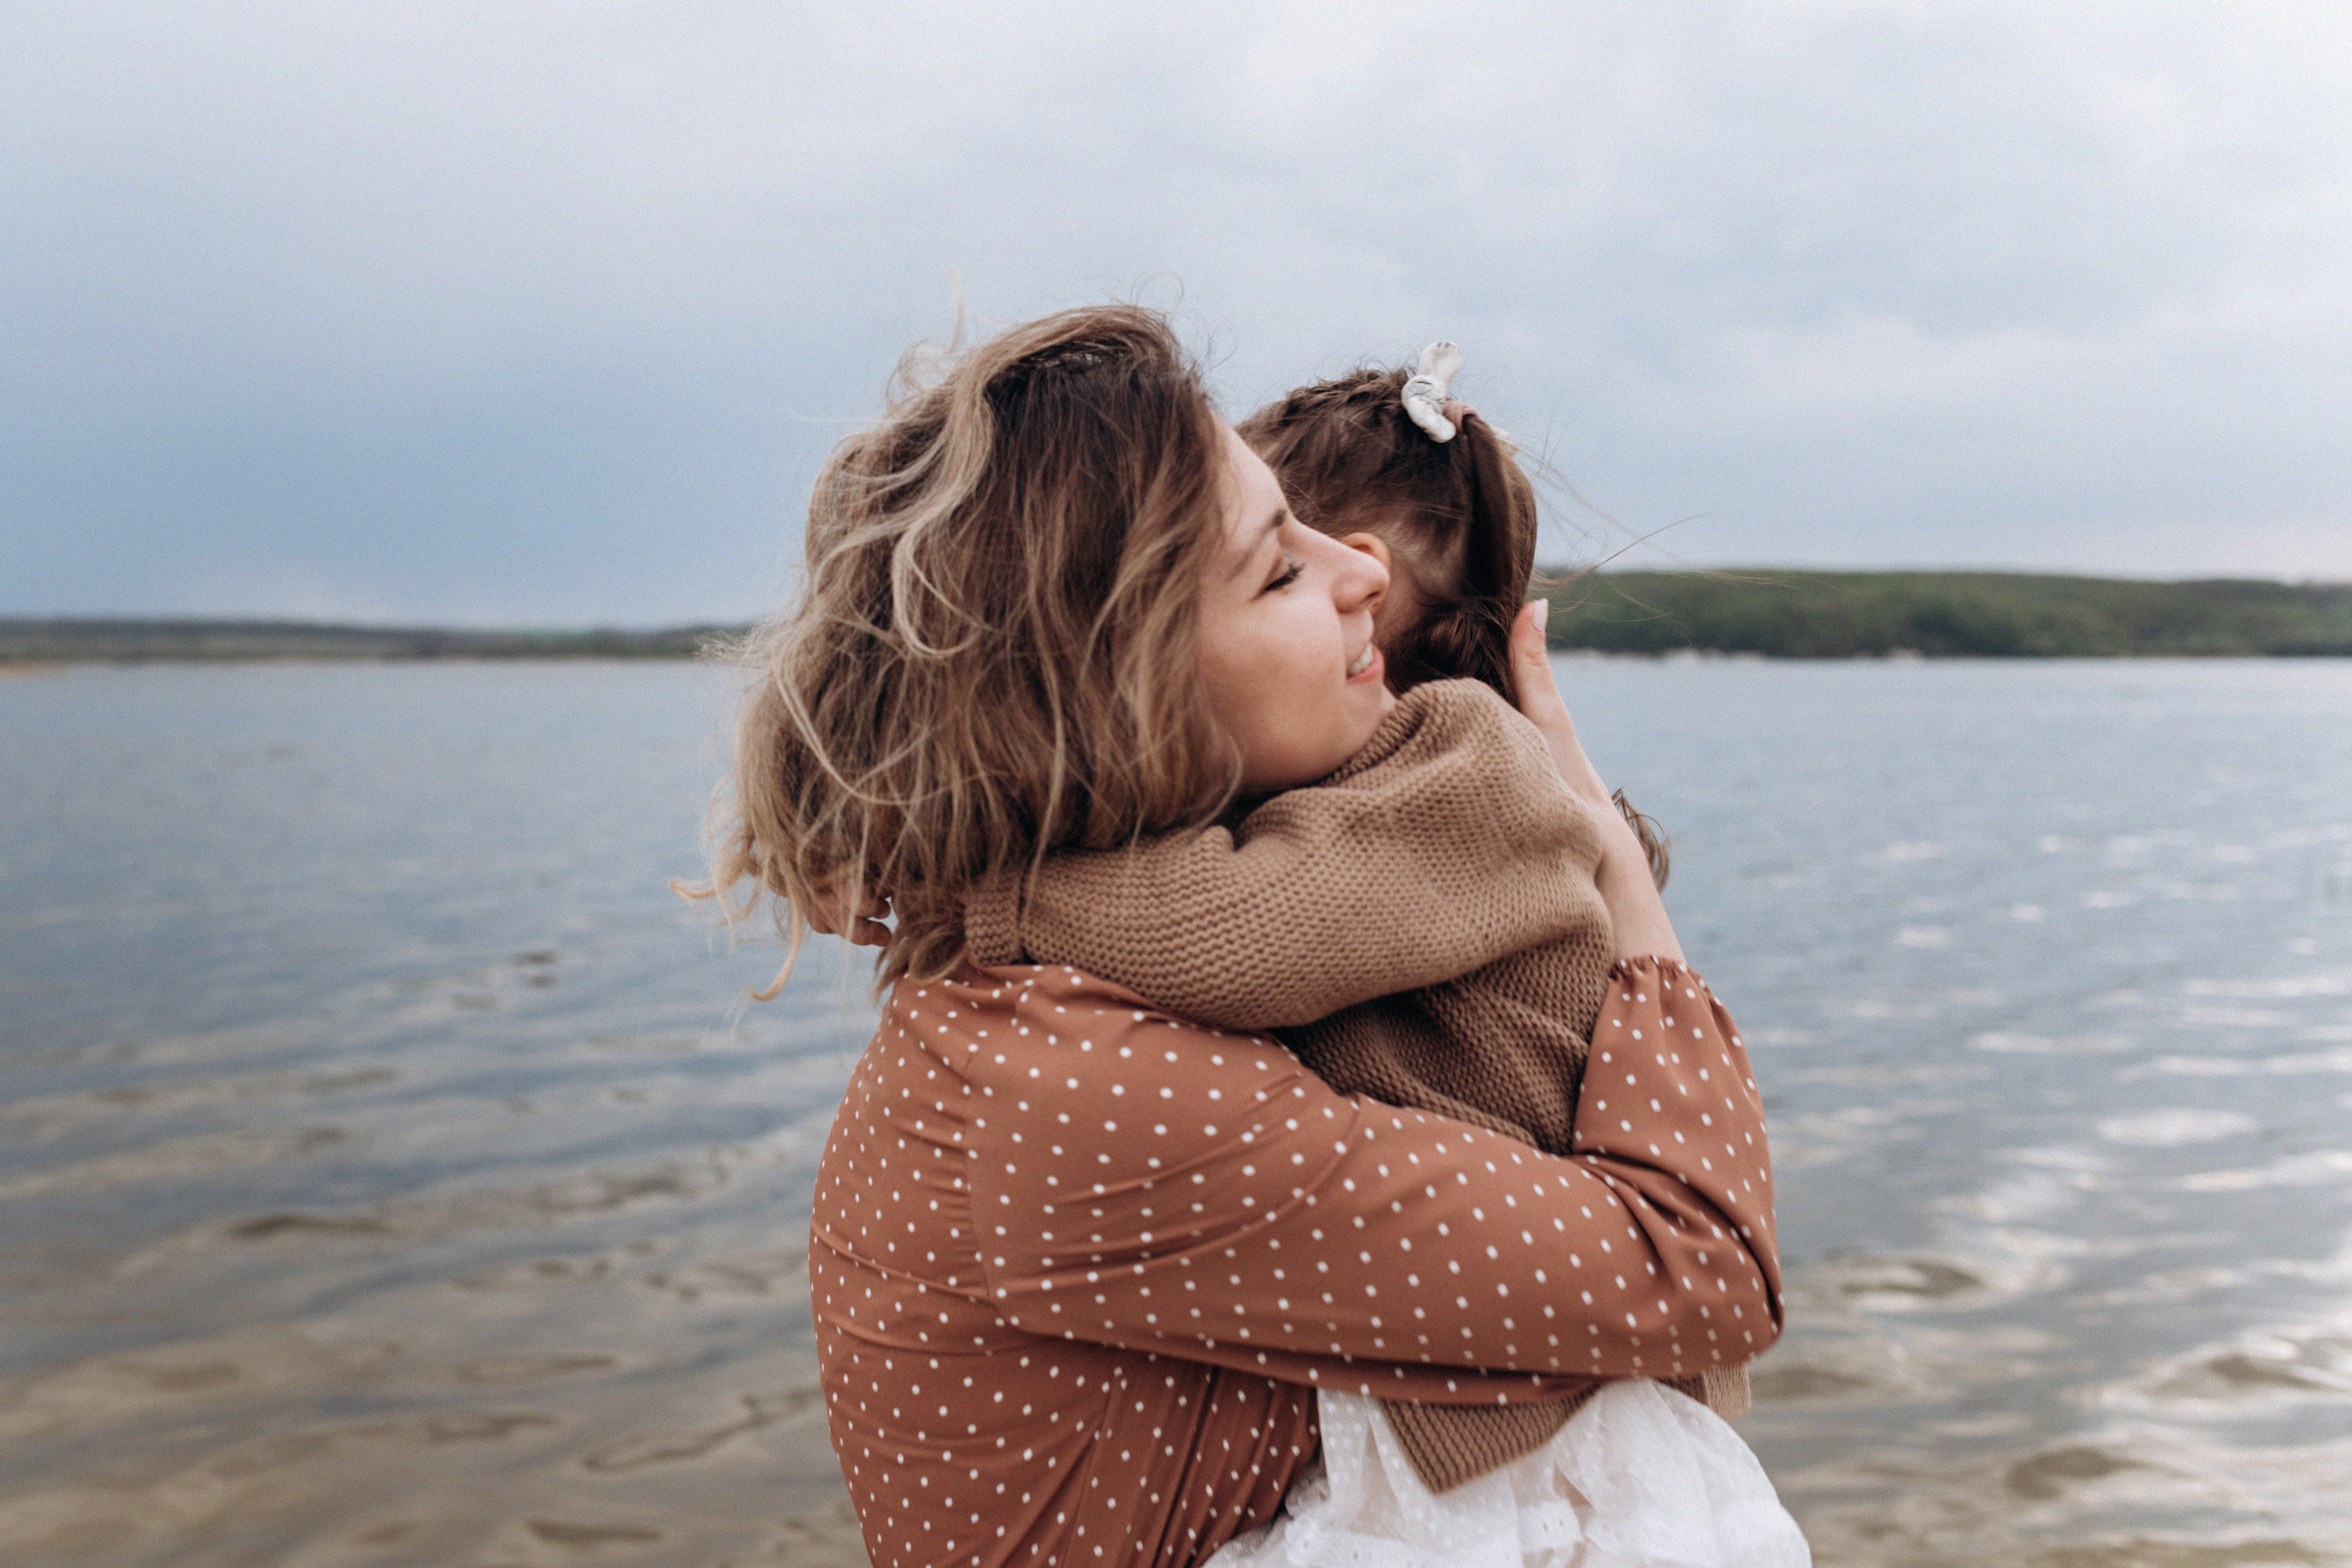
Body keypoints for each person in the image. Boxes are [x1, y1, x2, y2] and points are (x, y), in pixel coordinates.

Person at [701, 305, 1787, 1568]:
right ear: (1118, 690)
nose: (1363, 578)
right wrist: (1636, 915)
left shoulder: (1032, 1010)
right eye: (1279, 570)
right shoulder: (1075, 1083)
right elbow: (1703, 1269)